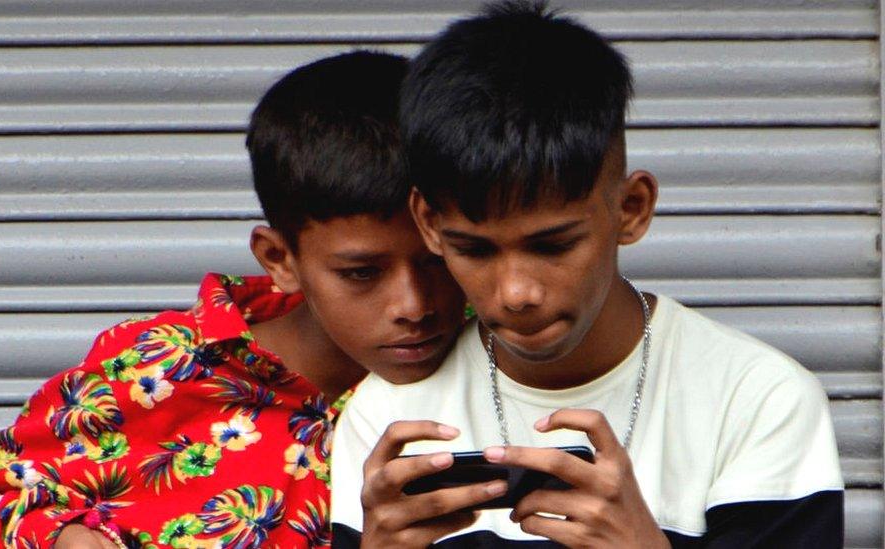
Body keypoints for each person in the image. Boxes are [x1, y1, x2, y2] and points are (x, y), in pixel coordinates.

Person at [330, 2, 844, 547]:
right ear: (429, 226)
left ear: (631, 209)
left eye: (553, 245)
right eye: (474, 250)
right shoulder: (389, 417)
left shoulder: (756, 401)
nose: (516, 293)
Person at [0, 51, 465, 549]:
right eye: (362, 273)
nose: (414, 305)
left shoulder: (506, 361)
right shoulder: (158, 369)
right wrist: (60, 537)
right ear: (279, 260)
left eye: (440, 259)